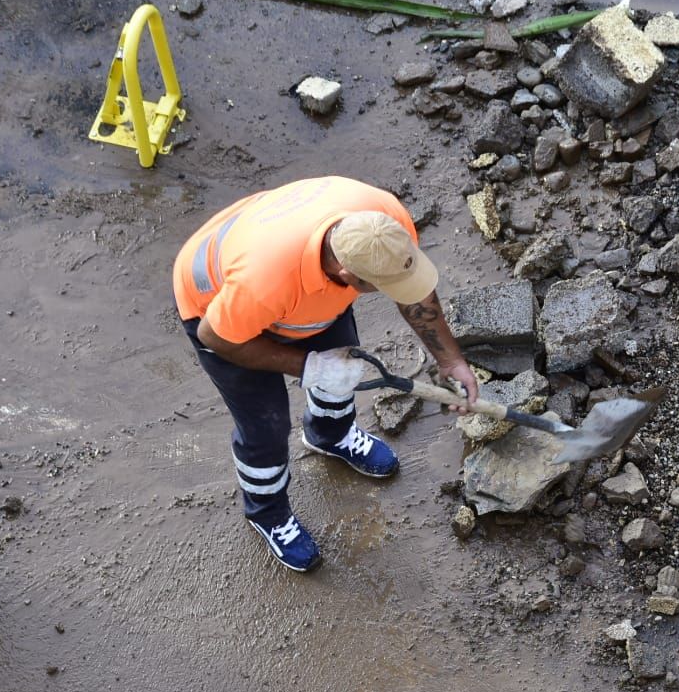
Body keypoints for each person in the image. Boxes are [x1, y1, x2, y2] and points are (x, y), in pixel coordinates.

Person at [172, 176, 478, 571]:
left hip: (286, 277)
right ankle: (266, 513)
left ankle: (328, 435)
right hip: (216, 307)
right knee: (265, 425)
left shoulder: (383, 224)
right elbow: (217, 338)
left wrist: (450, 360)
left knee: (343, 363)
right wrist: (309, 367)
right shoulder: (264, 282)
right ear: (348, 274)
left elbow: (415, 294)